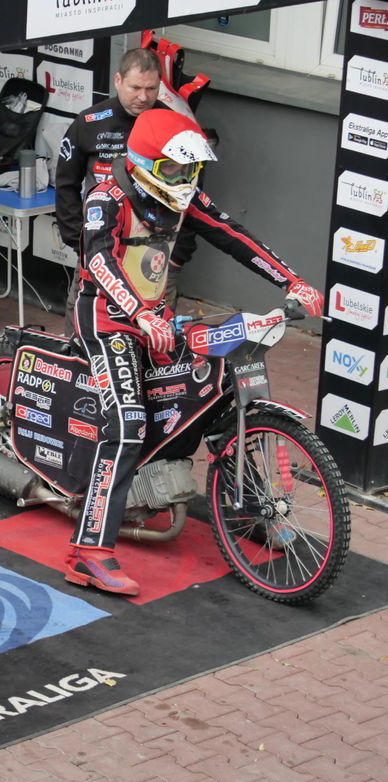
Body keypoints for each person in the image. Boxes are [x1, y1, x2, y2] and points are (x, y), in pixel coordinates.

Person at [65, 109, 323, 597]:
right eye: (174, 168)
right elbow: (97, 260)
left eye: (191, 169)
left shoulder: (183, 197)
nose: (183, 179)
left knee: (215, 391)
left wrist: (292, 280)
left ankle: (248, 506)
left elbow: (234, 236)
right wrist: (139, 313)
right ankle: (88, 553)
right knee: (128, 423)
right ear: (143, 162)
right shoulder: (107, 197)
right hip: (108, 319)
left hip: (158, 318)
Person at [55, 48, 198, 329]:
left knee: (157, 331)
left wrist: (180, 254)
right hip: (100, 245)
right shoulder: (89, 123)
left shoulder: (174, 125)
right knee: (83, 325)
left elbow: (192, 193)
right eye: (135, 88)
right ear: (118, 80)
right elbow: (65, 184)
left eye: (151, 89)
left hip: (156, 249)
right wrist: (80, 241)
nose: (143, 97)